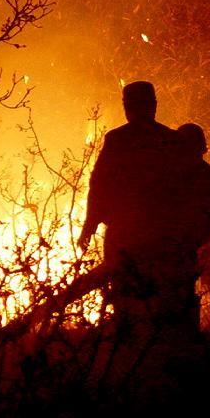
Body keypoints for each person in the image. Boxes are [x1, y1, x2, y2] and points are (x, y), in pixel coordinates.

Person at [79, 81, 183, 335]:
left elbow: (99, 183)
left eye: (131, 104)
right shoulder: (170, 139)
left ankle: (128, 341)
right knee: (158, 290)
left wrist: (89, 225)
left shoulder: (118, 139)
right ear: (154, 105)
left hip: (126, 231)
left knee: (124, 287)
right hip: (160, 231)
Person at [174, 123, 210, 330]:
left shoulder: (197, 176)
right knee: (182, 290)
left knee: (179, 291)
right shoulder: (207, 174)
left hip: (181, 245)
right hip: (183, 243)